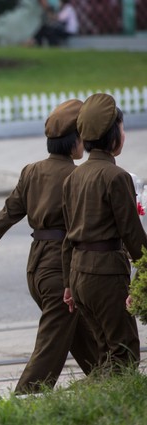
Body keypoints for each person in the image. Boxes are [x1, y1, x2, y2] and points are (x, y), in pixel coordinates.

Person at [0, 100, 98, 394]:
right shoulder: (78, 176)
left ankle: (109, 377)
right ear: (75, 142)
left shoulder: (31, 171)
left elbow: (9, 213)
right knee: (51, 346)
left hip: (36, 269)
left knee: (79, 332)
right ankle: (24, 398)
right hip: (62, 270)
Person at [62, 93, 147, 373]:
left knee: (104, 354)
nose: (124, 133)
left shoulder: (74, 176)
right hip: (107, 276)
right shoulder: (116, 177)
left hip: (79, 275)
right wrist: (145, 273)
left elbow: (68, 236)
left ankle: (98, 408)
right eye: (122, 127)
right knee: (124, 353)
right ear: (113, 135)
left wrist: (68, 283)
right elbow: (133, 235)